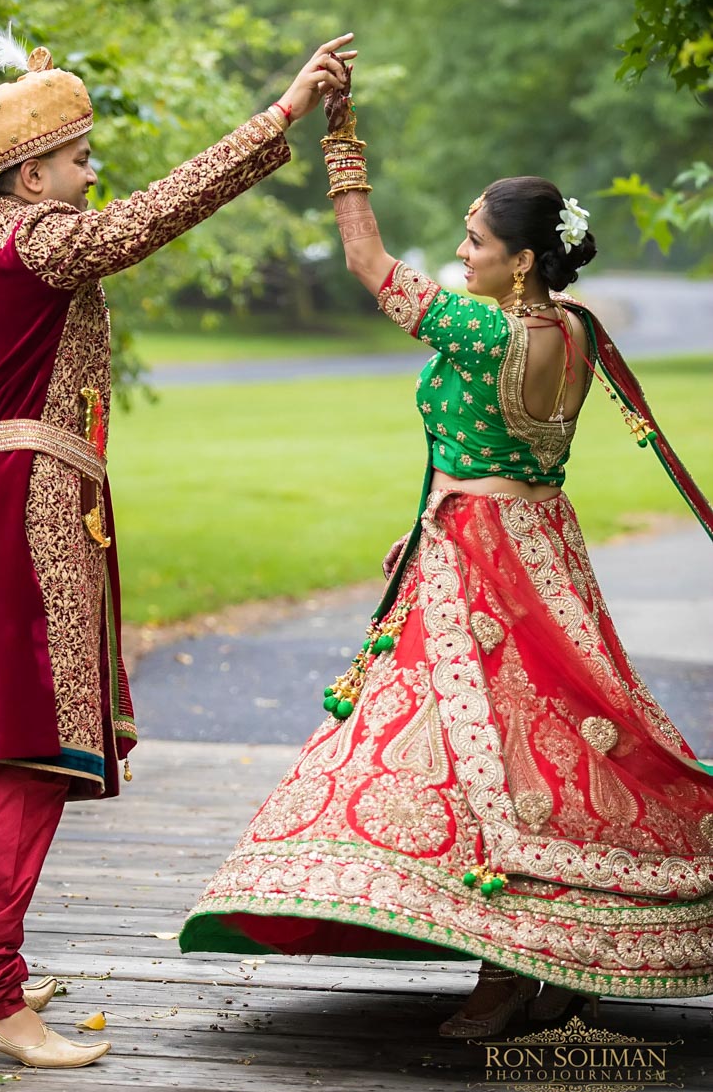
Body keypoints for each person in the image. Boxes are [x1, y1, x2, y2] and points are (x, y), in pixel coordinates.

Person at [179, 71, 713, 1037]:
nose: (462, 255)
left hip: (478, 563)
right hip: (544, 548)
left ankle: (505, 973)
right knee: (557, 738)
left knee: (481, 758)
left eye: (475, 242)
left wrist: (342, 139)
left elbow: (365, 255)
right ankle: (557, 959)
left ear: (518, 265)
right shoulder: (581, 331)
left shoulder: (480, 329)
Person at [0, 25, 355, 1068]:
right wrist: (276, 119)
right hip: (22, 519)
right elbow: (149, 217)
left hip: (2, 508)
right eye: (80, 156)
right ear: (31, 170)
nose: (95, 173)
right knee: (22, 751)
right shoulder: (36, 236)